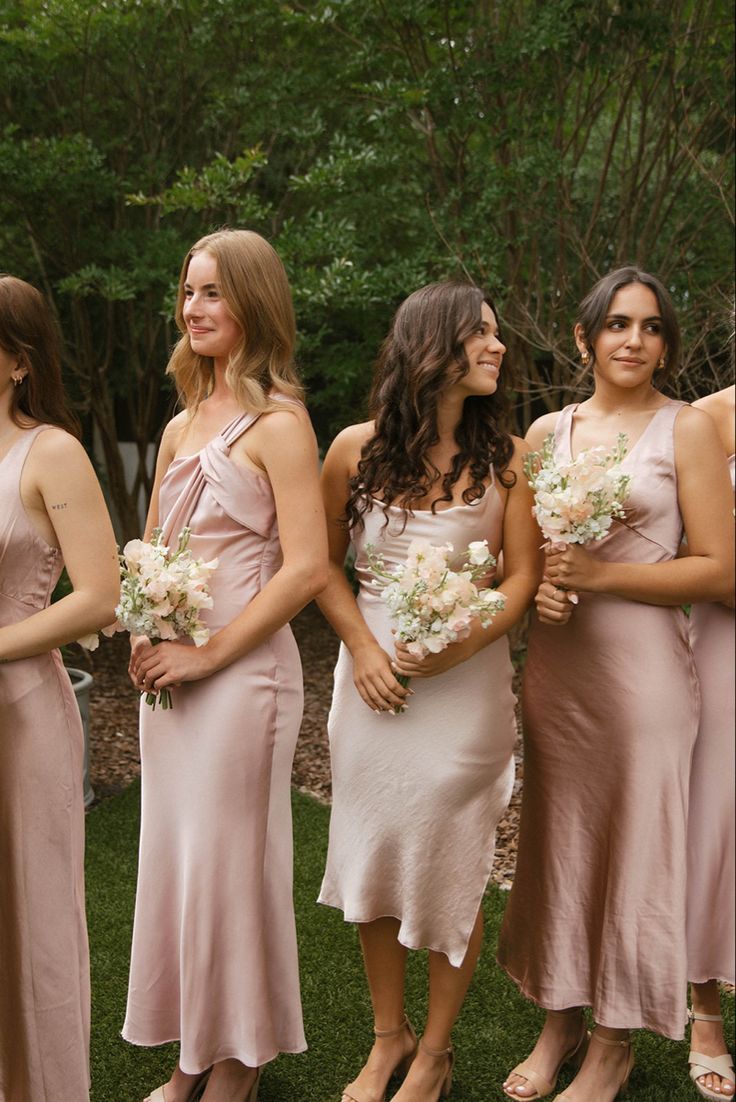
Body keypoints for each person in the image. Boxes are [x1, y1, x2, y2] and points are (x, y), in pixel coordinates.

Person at [497, 268, 734, 1102]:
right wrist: (548, 588)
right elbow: (518, 563)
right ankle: (559, 1017)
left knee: (637, 851)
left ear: (667, 343)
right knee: (560, 845)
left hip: (645, 678)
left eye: (653, 327)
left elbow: (718, 567)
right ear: (583, 336)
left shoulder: (689, 430)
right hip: (559, 673)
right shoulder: (544, 430)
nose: (635, 340)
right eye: (618, 324)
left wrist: (597, 576)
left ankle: (613, 1042)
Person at [317, 281, 542, 1102]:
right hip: (373, 687)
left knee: (451, 860)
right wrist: (363, 649)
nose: (498, 347)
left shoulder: (510, 461)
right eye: (482, 334)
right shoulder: (352, 449)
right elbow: (321, 570)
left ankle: (438, 1051)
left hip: (466, 690)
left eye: (497, 334)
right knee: (372, 856)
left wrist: (463, 643)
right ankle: (389, 1039)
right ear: (435, 345)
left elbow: (519, 583)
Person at [122, 229, 327, 1102]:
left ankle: (237, 1063)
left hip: (245, 681)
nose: (195, 308)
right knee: (181, 860)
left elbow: (309, 568)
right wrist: (146, 627)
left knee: (232, 864)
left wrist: (205, 652)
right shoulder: (175, 425)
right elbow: (160, 547)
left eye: (214, 293)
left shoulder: (282, 425)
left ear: (254, 303)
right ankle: (191, 1055)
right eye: (188, 291)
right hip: (172, 680)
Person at [0, 275, 119, 1101]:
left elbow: (99, 595)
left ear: (14, 361)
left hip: (19, 716)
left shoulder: (51, 453)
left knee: (29, 921)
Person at [685, 384, 735, 1101]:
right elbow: (685, 546)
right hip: (724, 643)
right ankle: (705, 1014)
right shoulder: (706, 420)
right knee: (715, 820)